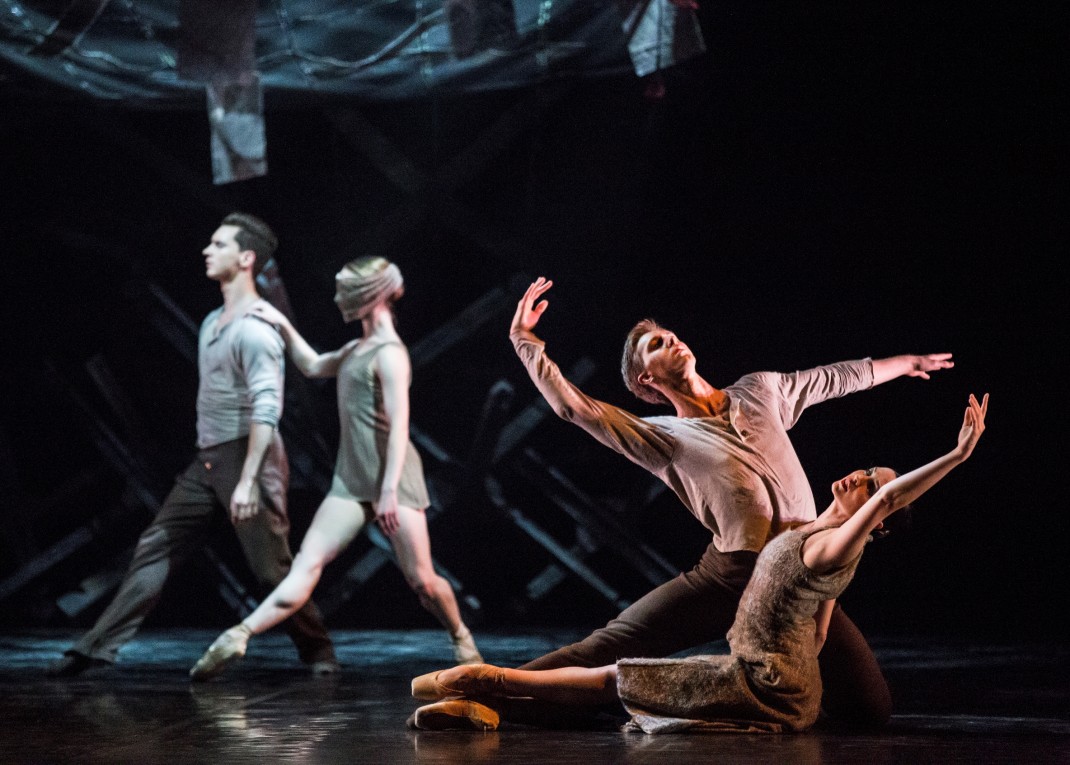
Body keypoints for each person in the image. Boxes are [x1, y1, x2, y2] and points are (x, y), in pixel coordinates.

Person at [414, 276, 955, 727]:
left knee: (870, 708)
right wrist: (526, 343)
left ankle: (711, 703)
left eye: (670, 335)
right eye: (656, 345)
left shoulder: (760, 391)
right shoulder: (660, 436)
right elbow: (575, 409)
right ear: (645, 380)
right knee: (606, 649)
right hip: (730, 573)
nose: (671, 340)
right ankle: (480, 700)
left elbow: (834, 379)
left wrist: (902, 362)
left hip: (795, 577)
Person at [409, 393, 988, 732]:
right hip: (759, 650)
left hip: (765, 682)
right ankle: (484, 693)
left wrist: (958, 455)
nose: (860, 477)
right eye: (866, 469)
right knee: (612, 666)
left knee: (621, 680)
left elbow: (882, 507)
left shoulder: (841, 542)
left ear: (877, 518)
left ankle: (483, 686)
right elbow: (821, 614)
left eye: (871, 487)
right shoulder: (810, 523)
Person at [47, 212, 338, 677]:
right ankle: (95, 647)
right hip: (208, 460)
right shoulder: (212, 322)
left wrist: (246, 481)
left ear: (245, 259)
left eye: (219, 245)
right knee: (155, 545)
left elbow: (268, 408)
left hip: (248, 458)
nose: (207, 250)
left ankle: (319, 651)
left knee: (271, 571)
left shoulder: (256, 329)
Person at [189, 256, 482, 681]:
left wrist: (386, 491)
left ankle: (461, 637)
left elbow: (400, 427)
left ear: (371, 296)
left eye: (346, 291)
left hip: (393, 479)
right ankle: (238, 635)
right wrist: (277, 317)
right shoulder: (355, 349)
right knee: (306, 566)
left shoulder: (391, 354)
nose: (337, 299)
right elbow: (310, 366)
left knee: (422, 581)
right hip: (351, 479)